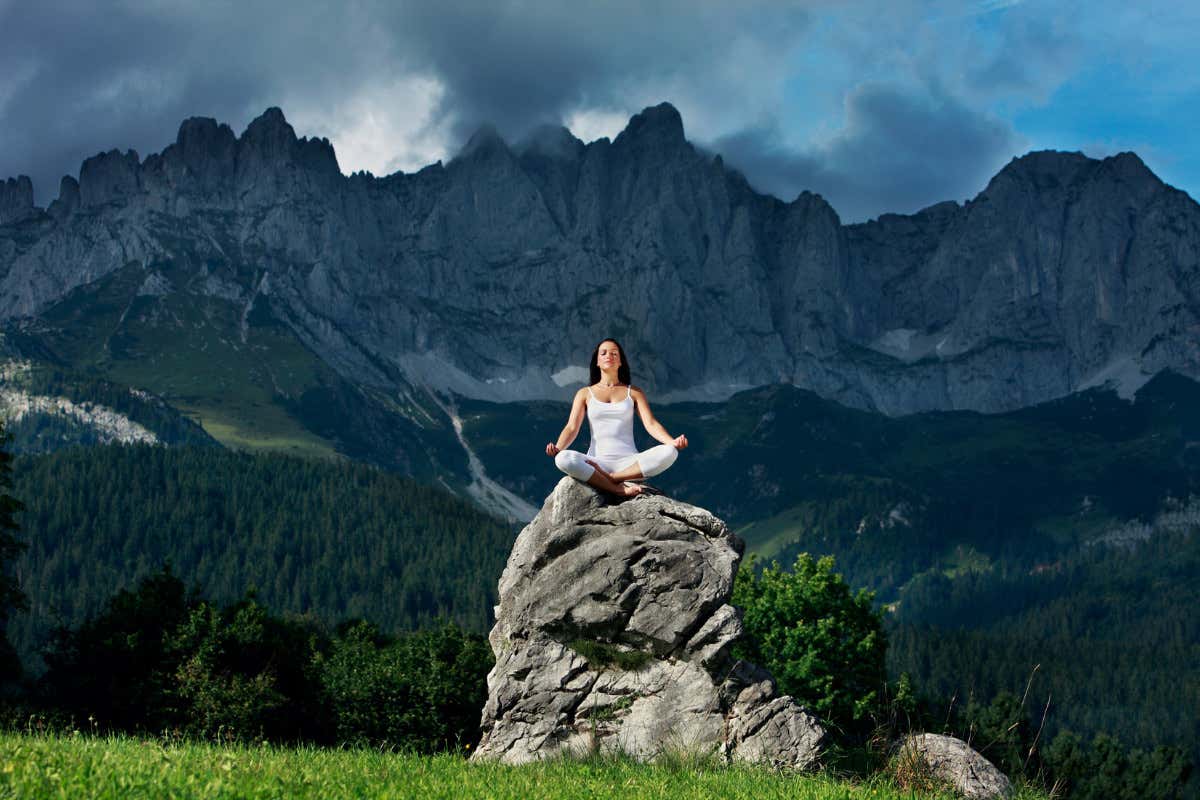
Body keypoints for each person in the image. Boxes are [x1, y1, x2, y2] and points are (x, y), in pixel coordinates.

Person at [545, 338, 688, 496]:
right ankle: (617, 489)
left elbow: (651, 424)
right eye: (604, 353)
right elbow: (572, 427)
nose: (609, 356)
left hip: (629, 464)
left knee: (670, 452)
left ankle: (614, 477)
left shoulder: (633, 392)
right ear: (597, 361)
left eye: (614, 353)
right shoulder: (584, 393)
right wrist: (558, 448)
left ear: (620, 361)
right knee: (563, 459)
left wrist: (672, 442)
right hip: (596, 464)